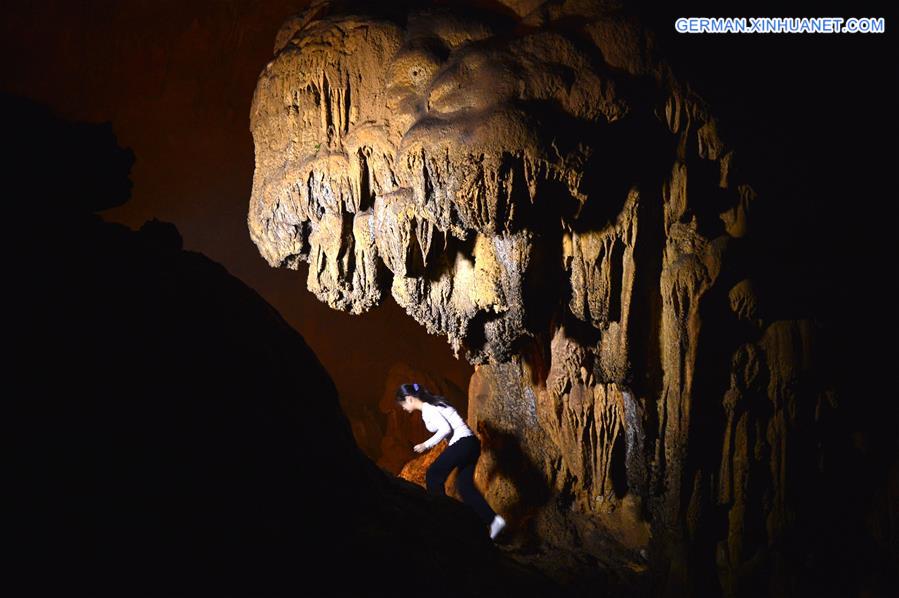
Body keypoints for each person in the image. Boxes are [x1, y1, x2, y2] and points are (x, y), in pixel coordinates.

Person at [395, 382, 506, 540]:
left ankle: (443, 521)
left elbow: (446, 429)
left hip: (463, 443)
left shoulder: (428, 409)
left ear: (410, 399)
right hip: (471, 444)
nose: (403, 408)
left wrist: (426, 445)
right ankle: (494, 521)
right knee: (465, 487)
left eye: (402, 404)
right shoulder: (435, 403)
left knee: (433, 475)